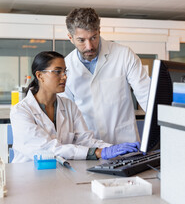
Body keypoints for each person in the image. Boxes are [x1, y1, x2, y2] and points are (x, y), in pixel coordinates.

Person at [10, 51, 140, 163]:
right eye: (57, 72)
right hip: (27, 174)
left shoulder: (68, 106)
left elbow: (84, 140)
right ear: (39, 76)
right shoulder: (21, 111)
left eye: (65, 71)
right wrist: (97, 153)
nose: (64, 77)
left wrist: (112, 149)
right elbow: (47, 149)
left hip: (59, 171)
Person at [61, 8, 151, 144]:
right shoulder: (66, 66)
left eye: (93, 37)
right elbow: (66, 114)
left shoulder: (124, 55)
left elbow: (147, 96)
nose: (89, 46)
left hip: (124, 141)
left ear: (99, 31)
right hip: (88, 146)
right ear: (70, 38)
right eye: (81, 40)